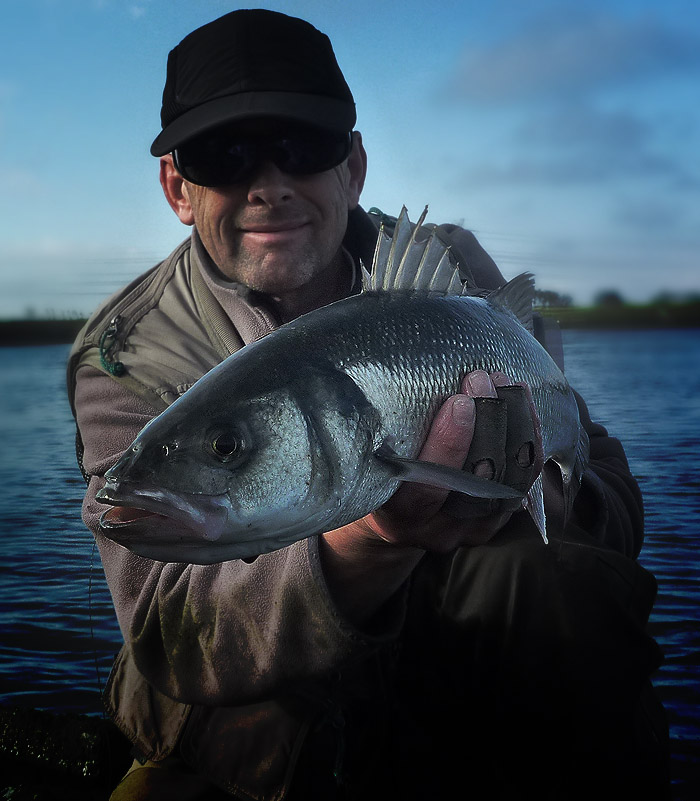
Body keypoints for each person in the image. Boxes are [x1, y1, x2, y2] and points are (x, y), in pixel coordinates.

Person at [68, 9, 669, 800]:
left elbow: (613, 504)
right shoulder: (125, 352)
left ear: (352, 167)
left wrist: (547, 490)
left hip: (463, 657)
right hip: (268, 722)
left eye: (303, 144)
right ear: (178, 187)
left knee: (555, 580)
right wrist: (374, 537)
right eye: (224, 154)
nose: (269, 183)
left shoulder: (452, 268)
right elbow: (171, 637)